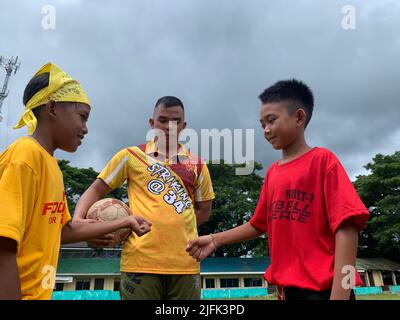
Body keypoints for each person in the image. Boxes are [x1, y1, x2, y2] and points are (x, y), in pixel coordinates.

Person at [187, 79, 370, 300]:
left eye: (272, 121)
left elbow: (348, 229)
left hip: (326, 291)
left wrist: (341, 293)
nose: (266, 130)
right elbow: (258, 224)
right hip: (289, 290)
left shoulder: (323, 161)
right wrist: (215, 240)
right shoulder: (273, 173)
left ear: (299, 117)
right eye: (262, 124)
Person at [0, 62, 151, 300]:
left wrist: (125, 222)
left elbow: (63, 230)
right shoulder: (25, 156)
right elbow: (3, 244)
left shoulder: (51, 166)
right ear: (51, 108)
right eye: (82, 117)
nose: (86, 129)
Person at [73, 96, 215, 300]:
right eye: (162, 120)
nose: (168, 127)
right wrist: (79, 222)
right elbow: (96, 190)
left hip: (185, 263)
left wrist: (178, 228)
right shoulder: (131, 156)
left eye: (175, 122)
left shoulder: (197, 164)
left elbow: (203, 210)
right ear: (152, 123)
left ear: (184, 126)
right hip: (140, 263)